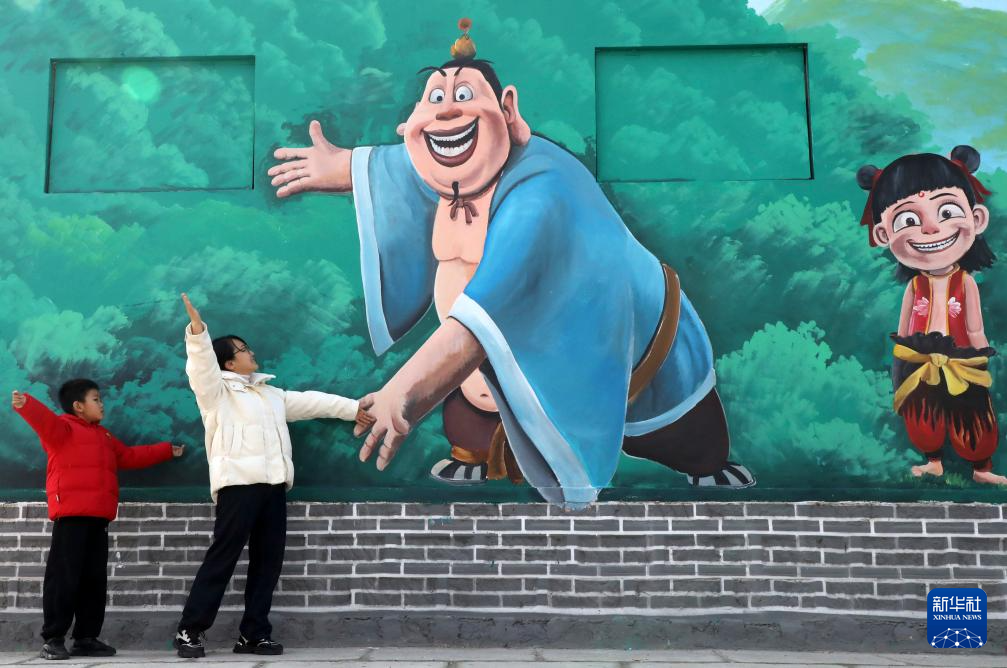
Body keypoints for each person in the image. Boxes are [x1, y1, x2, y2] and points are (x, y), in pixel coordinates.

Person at [268, 19, 753, 506]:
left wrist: (403, 395)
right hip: (492, 366)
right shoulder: (445, 167)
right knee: (470, 415)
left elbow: (485, 314)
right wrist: (347, 166)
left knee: (689, 439)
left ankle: (707, 463)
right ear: (409, 124)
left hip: (633, 351)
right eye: (434, 99)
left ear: (509, 111)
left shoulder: (544, 191)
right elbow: (402, 165)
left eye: (464, 96)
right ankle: (477, 445)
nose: (447, 111)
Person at [173, 293, 373, 658]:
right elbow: (201, 368)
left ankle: (253, 634)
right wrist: (197, 332)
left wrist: (353, 408)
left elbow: (311, 402)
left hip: (274, 487)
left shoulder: (271, 394)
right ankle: (190, 630)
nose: (251, 353)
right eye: (243, 350)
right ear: (229, 363)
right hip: (238, 486)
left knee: (268, 562)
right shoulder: (216, 393)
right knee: (223, 557)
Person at [857, 144, 1005, 485]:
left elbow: (974, 326)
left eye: (946, 211)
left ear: (977, 219)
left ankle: (981, 467)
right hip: (919, 357)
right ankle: (933, 461)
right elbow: (904, 324)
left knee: (972, 412)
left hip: (962, 356)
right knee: (922, 412)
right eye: (909, 220)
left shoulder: (965, 282)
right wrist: (901, 357)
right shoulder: (915, 285)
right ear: (883, 234)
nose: (931, 228)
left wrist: (979, 357)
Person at [11, 381, 182, 660]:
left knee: (94, 580)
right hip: (71, 518)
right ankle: (53, 638)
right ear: (78, 406)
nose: (102, 404)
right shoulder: (62, 430)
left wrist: (165, 450)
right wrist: (27, 404)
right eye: (96, 399)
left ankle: (86, 638)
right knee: (63, 579)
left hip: (98, 518)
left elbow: (129, 456)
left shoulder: (105, 436)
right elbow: (44, 421)